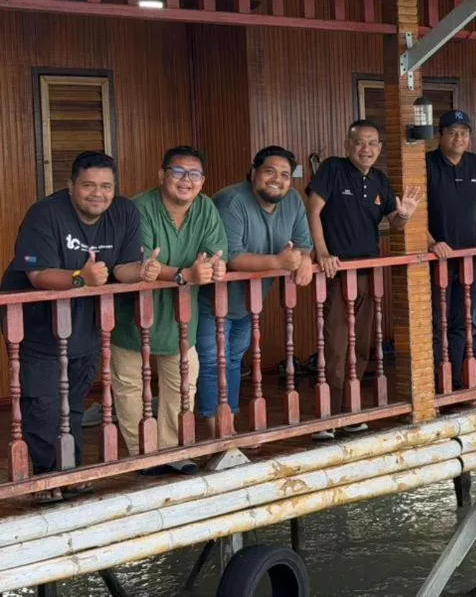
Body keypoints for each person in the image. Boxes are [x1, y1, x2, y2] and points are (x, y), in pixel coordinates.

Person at [0, 152, 149, 500]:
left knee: (75, 401)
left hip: (85, 322)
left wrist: (141, 272)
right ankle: (48, 478)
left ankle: (72, 471)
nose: (97, 193)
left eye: (106, 186)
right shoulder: (45, 214)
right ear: (71, 186)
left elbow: (124, 266)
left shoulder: (124, 212)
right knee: (43, 403)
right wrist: (81, 276)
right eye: (88, 185)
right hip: (34, 326)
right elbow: (37, 276)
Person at [112, 147, 227, 474]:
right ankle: (143, 456)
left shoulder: (206, 208)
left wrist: (215, 269)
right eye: (178, 172)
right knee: (131, 386)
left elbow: (218, 253)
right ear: (162, 175)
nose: (185, 180)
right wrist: (185, 274)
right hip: (132, 316)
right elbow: (142, 264)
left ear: (203, 181)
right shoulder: (139, 208)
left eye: (194, 174)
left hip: (181, 318)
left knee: (182, 384)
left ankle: (174, 452)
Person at [307, 119, 421, 437]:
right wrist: (323, 253)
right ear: (348, 145)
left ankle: (351, 411)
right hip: (336, 270)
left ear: (380, 148)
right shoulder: (332, 169)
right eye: (359, 142)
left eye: (372, 143)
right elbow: (313, 210)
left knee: (361, 344)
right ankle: (326, 417)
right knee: (336, 343)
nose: (366, 148)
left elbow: (393, 224)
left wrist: (406, 214)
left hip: (368, 271)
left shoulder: (380, 180)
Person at [198, 147, 314, 436]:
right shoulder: (232, 200)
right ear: (253, 173)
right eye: (270, 171)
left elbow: (302, 244)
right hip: (211, 301)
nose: (277, 179)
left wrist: (306, 260)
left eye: (285, 175)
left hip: (249, 302)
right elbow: (231, 256)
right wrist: (278, 262)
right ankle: (219, 430)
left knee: (235, 360)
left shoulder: (293, 201)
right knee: (213, 362)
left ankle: (228, 423)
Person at [425, 110, 476, 388]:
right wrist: (431, 242)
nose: (459, 138)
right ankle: (437, 381)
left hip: (469, 257)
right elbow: (416, 213)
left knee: (465, 320)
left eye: (464, 133)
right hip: (437, 259)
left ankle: (458, 378)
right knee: (437, 323)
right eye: (453, 132)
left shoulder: (475, 163)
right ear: (440, 135)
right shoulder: (427, 164)